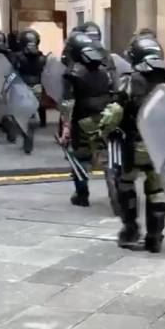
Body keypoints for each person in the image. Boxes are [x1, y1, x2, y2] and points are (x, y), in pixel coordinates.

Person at [99, 35, 165, 252]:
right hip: (162, 146)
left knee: (125, 184)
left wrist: (103, 132)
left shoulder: (129, 81)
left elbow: (114, 113)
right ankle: (155, 237)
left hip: (135, 145)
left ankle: (130, 231)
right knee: (157, 191)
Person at [59, 34, 114, 207]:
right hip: (107, 117)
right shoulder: (106, 70)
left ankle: (82, 195)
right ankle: (116, 191)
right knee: (108, 157)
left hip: (82, 120)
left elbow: (68, 102)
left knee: (80, 156)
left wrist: (65, 128)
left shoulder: (72, 74)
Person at [8, 28, 47, 153]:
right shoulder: (42, 57)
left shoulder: (18, 57)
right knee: (32, 111)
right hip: (37, 87)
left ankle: (24, 132)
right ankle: (30, 129)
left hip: (21, 87)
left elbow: (11, 72)